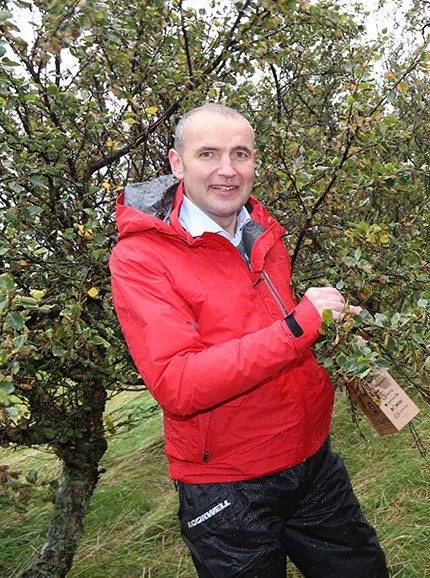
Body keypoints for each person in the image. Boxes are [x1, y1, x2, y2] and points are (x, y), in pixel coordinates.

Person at [110, 103, 389, 577]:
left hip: (311, 459)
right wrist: (300, 327)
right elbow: (179, 384)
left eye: (241, 154)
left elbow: (268, 332)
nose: (227, 170)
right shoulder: (141, 259)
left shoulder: (261, 230)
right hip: (228, 485)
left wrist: (332, 333)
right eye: (208, 154)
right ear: (177, 164)